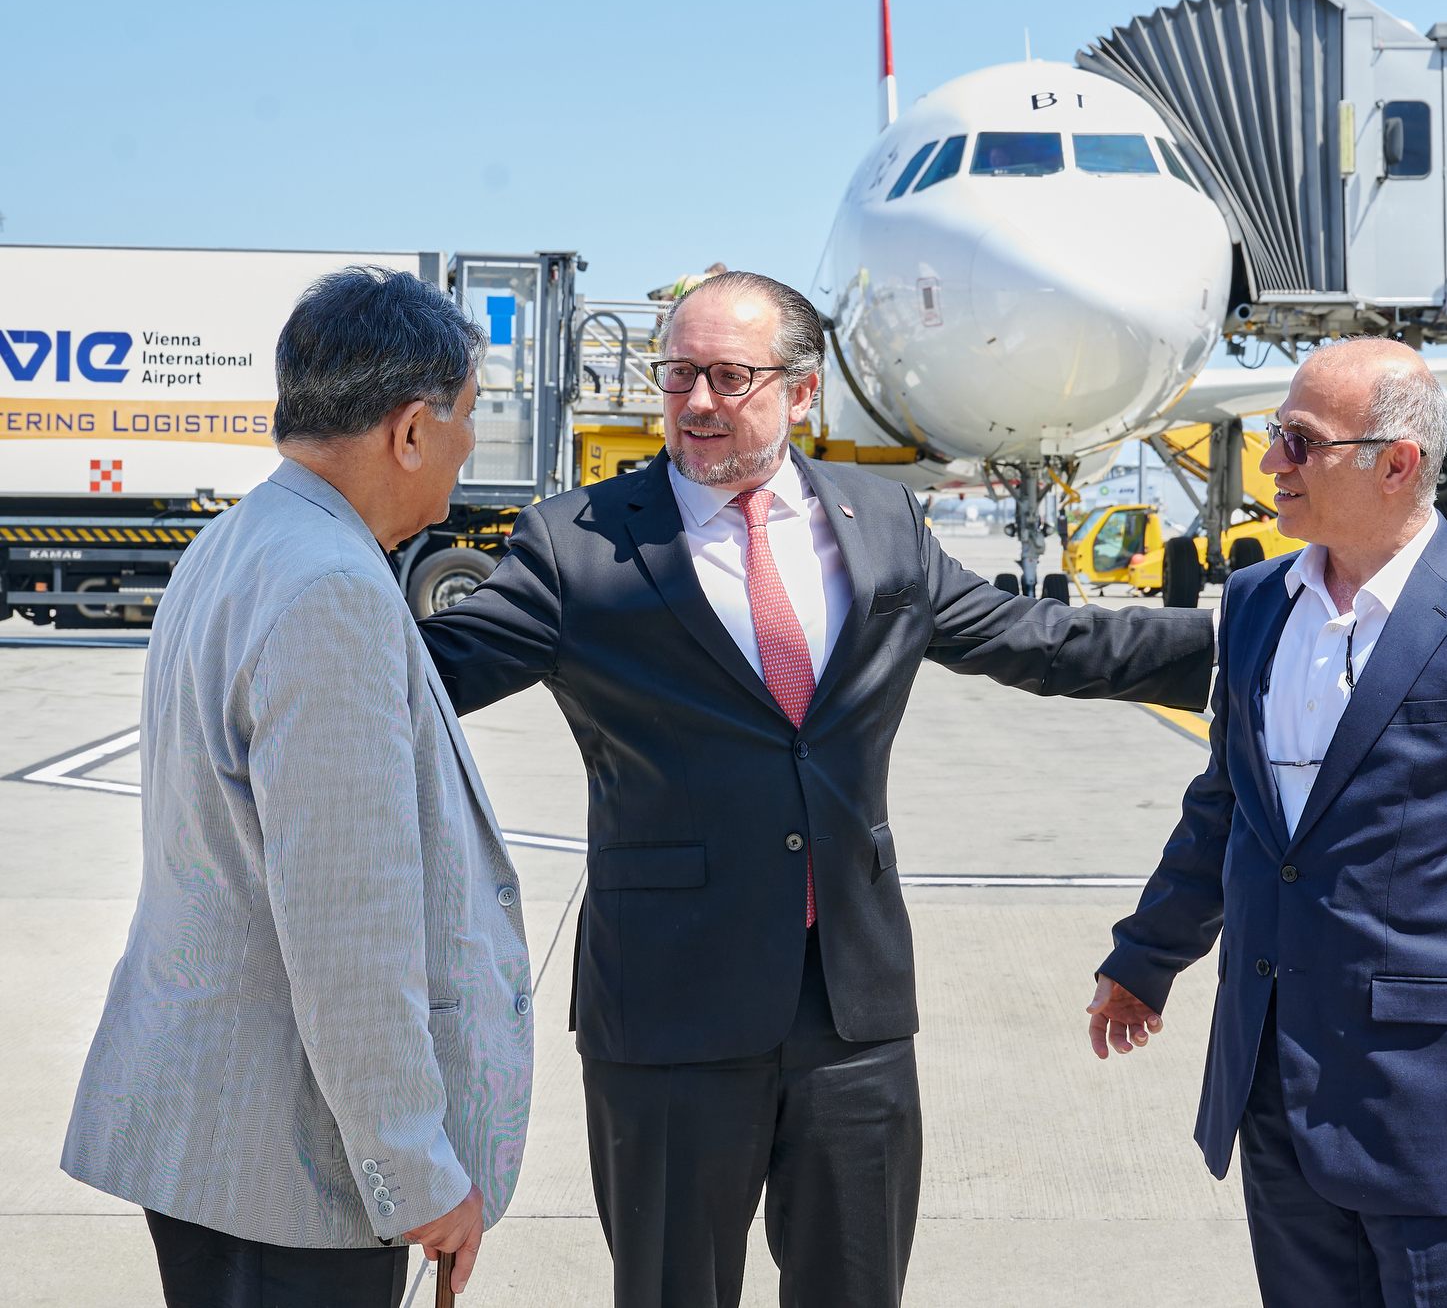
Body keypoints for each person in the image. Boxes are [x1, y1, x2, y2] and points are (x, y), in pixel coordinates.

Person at [418, 270, 1216, 1308]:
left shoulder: (880, 521)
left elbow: (1037, 638)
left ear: (801, 393)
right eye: (677, 374)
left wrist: (1245, 638)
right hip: (669, 1011)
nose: (696, 401)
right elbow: (430, 676)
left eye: (727, 376)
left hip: (851, 1005)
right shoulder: (577, 545)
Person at [1088, 338, 1447, 1307]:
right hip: (1271, 1083)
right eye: (1273, 436)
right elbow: (1225, 809)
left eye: (1297, 440)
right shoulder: (1254, 604)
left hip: (1433, 1106)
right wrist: (1141, 957)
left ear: (1396, 462)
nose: (1269, 463)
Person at [62, 267, 533, 1306]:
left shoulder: (238, 539)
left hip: (215, 1132)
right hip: (293, 1162)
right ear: (411, 429)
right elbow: (345, 925)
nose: (466, 445)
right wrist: (414, 1166)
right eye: (466, 415)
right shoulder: (332, 589)